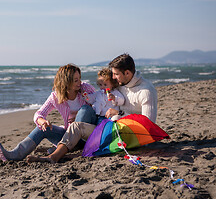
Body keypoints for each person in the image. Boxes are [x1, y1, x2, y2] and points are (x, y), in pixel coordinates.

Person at [27, 53, 158, 163]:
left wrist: (119, 113)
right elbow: (102, 97)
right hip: (108, 127)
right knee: (76, 125)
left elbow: (147, 126)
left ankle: (53, 157)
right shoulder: (121, 85)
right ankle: (57, 151)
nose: (112, 78)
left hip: (123, 136)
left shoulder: (146, 91)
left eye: (116, 74)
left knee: (76, 127)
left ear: (127, 73)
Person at [0, 64, 97, 162]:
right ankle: (17, 154)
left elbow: (102, 104)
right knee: (44, 128)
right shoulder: (56, 97)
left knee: (85, 110)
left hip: (88, 137)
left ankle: (60, 151)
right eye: (76, 80)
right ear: (66, 82)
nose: (80, 82)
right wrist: (42, 121)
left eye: (79, 78)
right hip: (69, 139)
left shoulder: (86, 89)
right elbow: (39, 114)